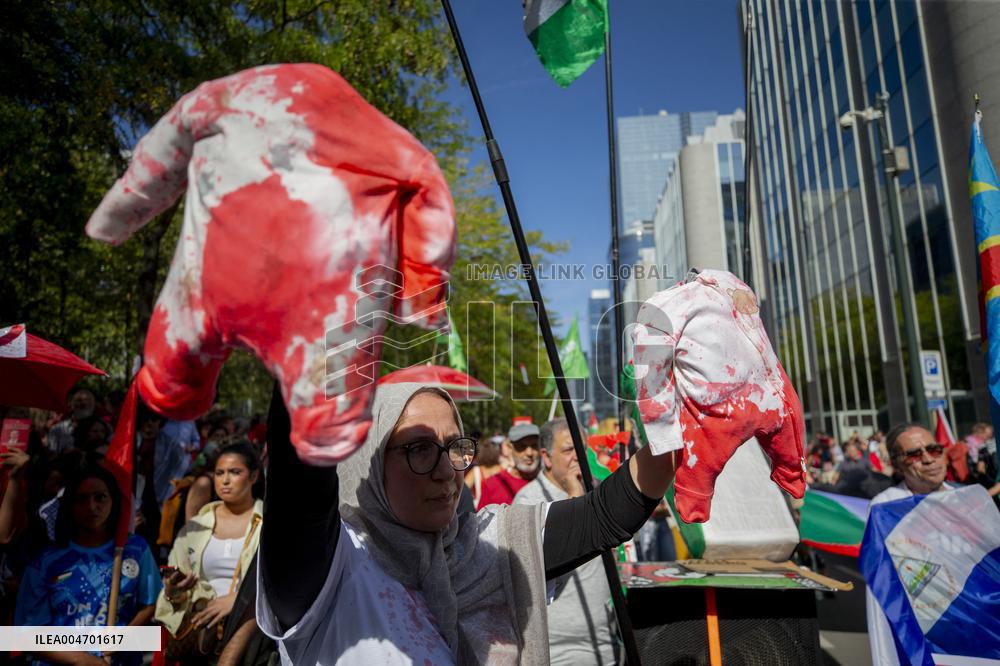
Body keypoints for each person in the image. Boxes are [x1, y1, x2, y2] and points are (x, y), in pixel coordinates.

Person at [257, 383, 676, 664]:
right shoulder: (336, 564)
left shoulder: (488, 545)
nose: (447, 471)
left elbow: (606, 514)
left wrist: (671, 411)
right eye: (419, 448)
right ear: (368, 460)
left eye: (455, 447)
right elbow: (300, 473)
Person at [15, 466, 161, 666]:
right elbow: (26, 634)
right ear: (69, 505)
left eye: (100, 497)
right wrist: (81, 659)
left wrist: (122, 638)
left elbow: (151, 602)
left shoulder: (135, 549)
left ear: (114, 501)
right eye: (81, 499)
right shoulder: (45, 562)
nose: (92, 507)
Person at [513, 418, 617, 665]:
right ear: (546, 457)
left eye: (582, 448)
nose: (577, 456)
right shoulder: (528, 501)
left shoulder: (596, 490)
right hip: (558, 651)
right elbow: (535, 569)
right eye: (569, 450)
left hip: (604, 642)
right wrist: (574, 499)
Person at [866, 423, 957, 665]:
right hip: (922, 626)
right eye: (915, 454)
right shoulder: (885, 508)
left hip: (968, 623)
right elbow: (885, 584)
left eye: (934, 449)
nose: (928, 459)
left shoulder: (966, 499)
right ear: (897, 464)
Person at [156, 442, 263, 647]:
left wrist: (239, 601)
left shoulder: (269, 526)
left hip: (252, 637)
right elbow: (173, 593)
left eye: (235, 472)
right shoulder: (194, 528)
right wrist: (173, 590)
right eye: (219, 472)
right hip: (199, 637)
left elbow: (280, 582)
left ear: (253, 476)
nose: (225, 480)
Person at [476, 423, 541, 509]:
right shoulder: (492, 484)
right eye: (522, 447)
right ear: (510, 448)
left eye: (534, 446)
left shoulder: (551, 481)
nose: (529, 453)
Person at [45, 388, 97, 455]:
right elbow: (51, 455)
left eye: (88, 400)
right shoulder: (57, 429)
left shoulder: (105, 429)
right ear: (72, 404)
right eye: (79, 400)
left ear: (93, 405)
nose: (84, 403)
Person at [464, 434, 502, 507]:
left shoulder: (476, 471)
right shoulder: (502, 469)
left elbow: (464, 490)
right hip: (501, 507)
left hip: (483, 509)